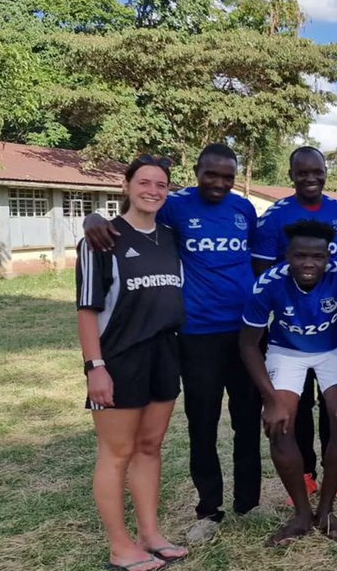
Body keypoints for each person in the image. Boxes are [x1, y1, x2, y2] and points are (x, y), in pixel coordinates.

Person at [82, 144, 262, 544]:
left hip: (247, 333)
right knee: (203, 423)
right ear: (196, 172)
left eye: (227, 176)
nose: (218, 183)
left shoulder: (244, 210)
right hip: (197, 334)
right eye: (210, 174)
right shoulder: (177, 206)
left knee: (248, 420)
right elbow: (135, 213)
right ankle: (209, 510)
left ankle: (249, 502)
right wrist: (92, 218)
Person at [77, 154, 188, 571]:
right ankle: (120, 547)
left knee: (149, 447)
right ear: (126, 186)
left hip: (164, 353)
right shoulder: (102, 238)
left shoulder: (170, 237)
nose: (153, 191)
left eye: (161, 185)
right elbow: (87, 310)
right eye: (144, 182)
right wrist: (95, 367)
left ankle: (149, 534)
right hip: (119, 357)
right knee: (115, 451)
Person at [239, 220, 337, 546]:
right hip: (286, 350)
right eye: (300, 255)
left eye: (317, 256)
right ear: (287, 255)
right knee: (279, 424)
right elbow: (248, 343)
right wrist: (270, 399)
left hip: (334, 348)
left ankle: (327, 512)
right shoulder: (268, 283)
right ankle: (302, 514)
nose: (308, 264)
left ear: (328, 256)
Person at [251, 146, 337, 500]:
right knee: (296, 407)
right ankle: (307, 472)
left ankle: (336, 476)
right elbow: (263, 272)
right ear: (291, 174)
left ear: (326, 172)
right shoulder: (274, 217)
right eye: (303, 173)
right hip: (292, 331)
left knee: (336, 409)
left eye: (317, 172)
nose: (311, 178)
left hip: (335, 330)